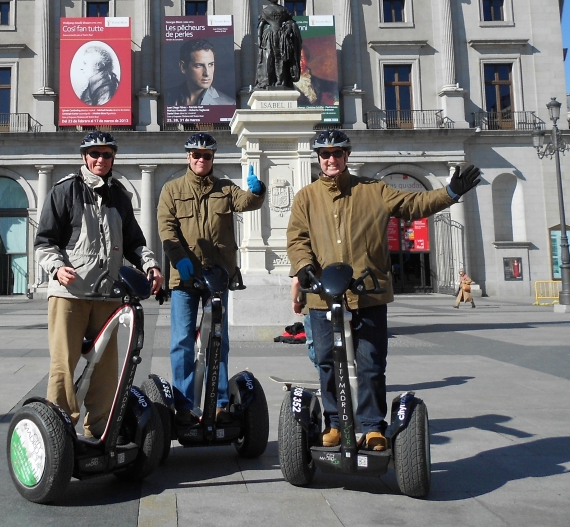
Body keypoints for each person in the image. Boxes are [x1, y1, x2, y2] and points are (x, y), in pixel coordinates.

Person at [286, 129, 481, 452]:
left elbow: (413, 204)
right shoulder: (306, 197)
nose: (331, 159)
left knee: (371, 363)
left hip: (368, 291)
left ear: (347, 156)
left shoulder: (374, 190)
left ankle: (372, 425)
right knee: (326, 362)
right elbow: (297, 238)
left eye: (337, 153)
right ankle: (334, 422)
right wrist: (304, 267)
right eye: (325, 154)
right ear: (318, 159)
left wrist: (450, 192)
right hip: (322, 294)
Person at [34, 131, 163, 438]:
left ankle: (100, 431)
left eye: (106, 155)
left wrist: (151, 264)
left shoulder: (119, 195)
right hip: (70, 294)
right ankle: (59, 432)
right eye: (94, 154)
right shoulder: (65, 191)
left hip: (108, 296)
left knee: (106, 369)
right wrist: (57, 267)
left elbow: (134, 242)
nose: (100, 160)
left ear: (113, 158)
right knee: (64, 365)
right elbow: (44, 242)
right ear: (84, 157)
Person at [157, 132, 265, 423]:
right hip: (185, 277)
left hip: (217, 277)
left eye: (206, 156)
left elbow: (248, 203)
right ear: (188, 157)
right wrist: (178, 257)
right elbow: (166, 228)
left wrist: (257, 191)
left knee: (218, 340)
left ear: (212, 159)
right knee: (181, 341)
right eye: (196, 155)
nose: (201, 159)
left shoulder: (226, 188)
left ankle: (218, 403)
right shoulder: (171, 189)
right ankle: (183, 405)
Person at [166, 39, 236, 107]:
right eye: (199, 65)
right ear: (183, 67)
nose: (207, 73)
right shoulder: (166, 98)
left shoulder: (227, 104)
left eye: (210, 64)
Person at [295, 42, 338, 108]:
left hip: (317, 117)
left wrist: (337, 100)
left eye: (302, 58)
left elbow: (334, 86)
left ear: (307, 60)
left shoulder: (316, 81)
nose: (299, 62)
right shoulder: (286, 83)